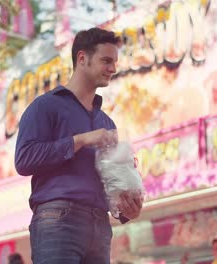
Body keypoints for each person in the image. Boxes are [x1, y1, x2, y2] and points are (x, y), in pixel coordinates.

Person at [15, 27, 143, 264]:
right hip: (58, 220)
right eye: (106, 60)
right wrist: (82, 139)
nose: (113, 68)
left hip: (100, 225)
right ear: (82, 58)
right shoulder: (45, 106)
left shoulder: (106, 122)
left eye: (114, 62)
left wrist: (126, 211)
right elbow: (24, 160)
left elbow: (111, 181)